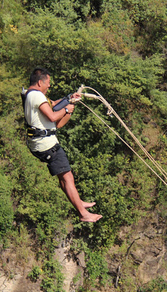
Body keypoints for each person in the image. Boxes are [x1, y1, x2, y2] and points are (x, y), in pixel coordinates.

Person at [23, 67, 102, 222]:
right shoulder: (37, 96)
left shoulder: (30, 95)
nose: (49, 86)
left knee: (63, 177)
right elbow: (53, 116)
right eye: (48, 83)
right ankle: (83, 214)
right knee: (67, 177)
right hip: (47, 145)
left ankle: (78, 203)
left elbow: (52, 104)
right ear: (40, 82)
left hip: (40, 144)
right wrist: (67, 109)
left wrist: (69, 98)